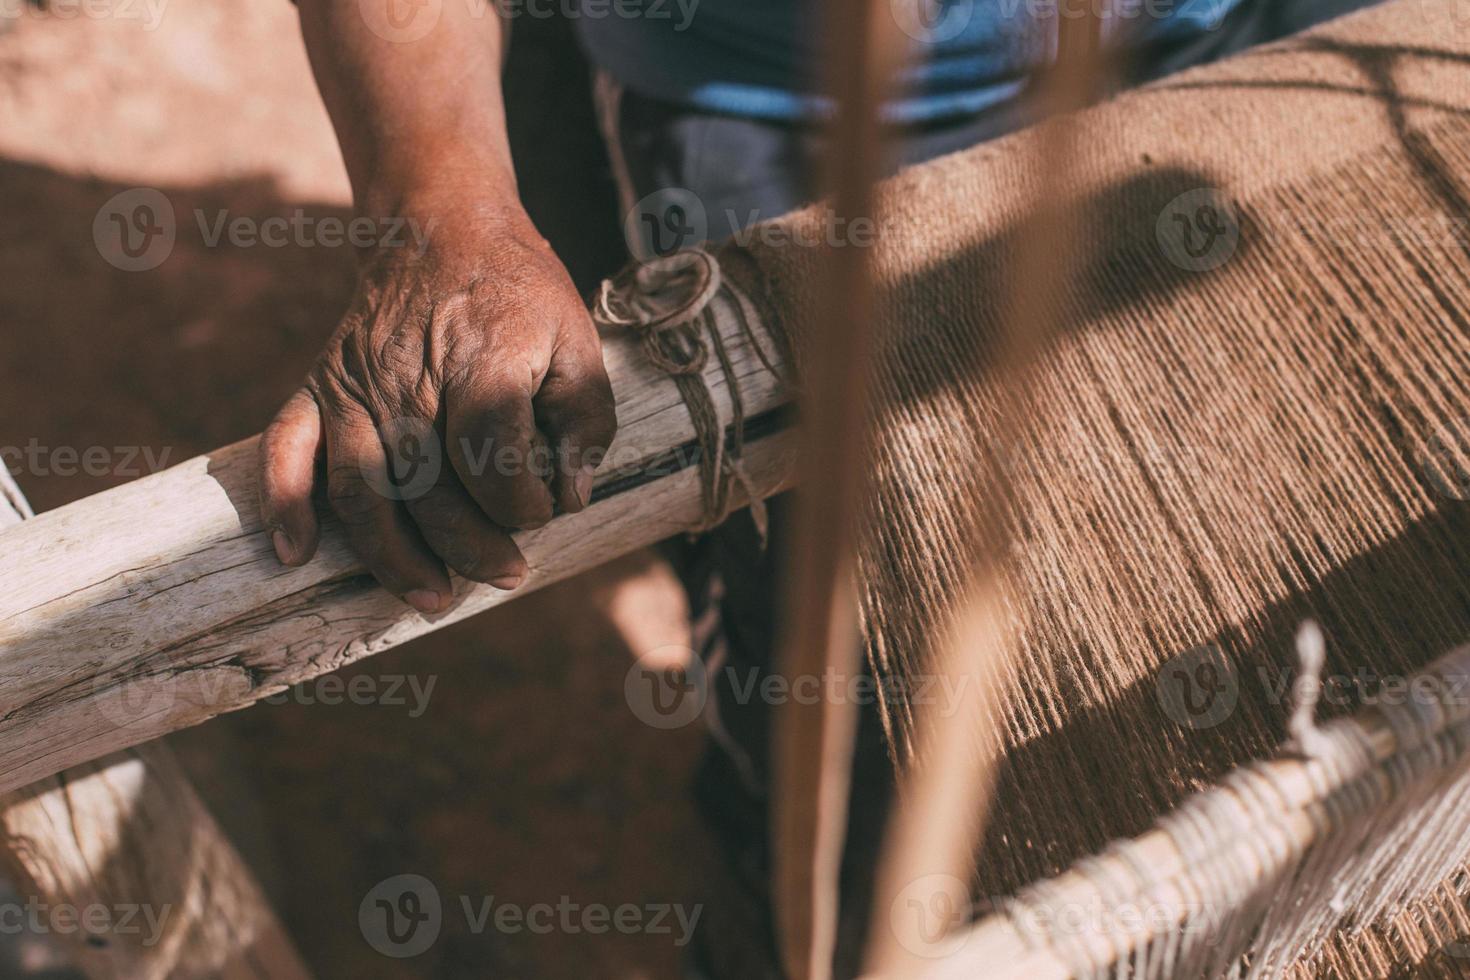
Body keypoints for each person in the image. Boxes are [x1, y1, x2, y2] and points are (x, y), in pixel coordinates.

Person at [258, 1, 1383, 975]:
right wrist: (441, 216)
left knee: (1293, 576)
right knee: (851, 708)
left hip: (1244, 40)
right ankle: (784, 913)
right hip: (776, 98)